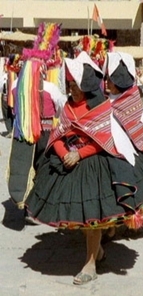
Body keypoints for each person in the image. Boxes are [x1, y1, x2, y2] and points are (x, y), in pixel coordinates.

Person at [25, 51, 143, 285]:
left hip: (96, 166)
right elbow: (58, 135)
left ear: (86, 84)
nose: (71, 89)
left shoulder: (101, 107)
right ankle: (97, 253)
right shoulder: (68, 107)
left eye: (74, 84)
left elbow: (105, 140)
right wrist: (65, 153)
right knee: (82, 217)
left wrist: (79, 154)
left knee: (92, 217)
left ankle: (90, 264)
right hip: (69, 163)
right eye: (68, 84)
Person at [7, 23, 67, 216]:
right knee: (43, 168)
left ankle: (23, 201)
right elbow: (61, 107)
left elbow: (12, 107)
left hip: (22, 132)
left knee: (22, 167)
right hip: (45, 133)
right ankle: (38, 204)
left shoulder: (16, 85)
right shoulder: (50, 88)